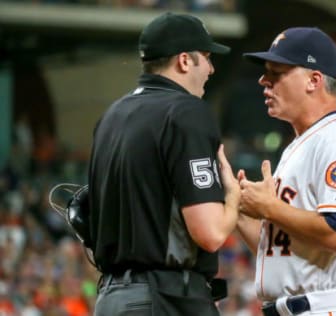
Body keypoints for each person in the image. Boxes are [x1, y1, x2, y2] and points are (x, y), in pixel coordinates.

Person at [88, 12, 240, 316]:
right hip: (165, 299)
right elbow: (210, 233)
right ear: (185, 60)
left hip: (110, 297)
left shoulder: (113, 116)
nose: (211, 68)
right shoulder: (187, 113)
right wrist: (233, 197)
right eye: (207, 57)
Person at [234, 27, 336, 315]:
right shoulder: (302, 144)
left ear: (314, 80)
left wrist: (270, 208)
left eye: (277, 72)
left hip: (329, 308)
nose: (264, 80)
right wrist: (238, 207)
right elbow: (282, 253)